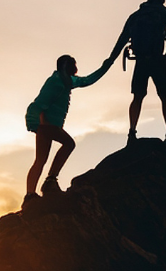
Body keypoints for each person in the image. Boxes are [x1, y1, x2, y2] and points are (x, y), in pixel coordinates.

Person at [24, 54, 113, 206]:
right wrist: (38, 123)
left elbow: (87, 80)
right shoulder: (55, 81)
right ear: (66, 66)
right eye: (73, 65)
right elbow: (39, 102)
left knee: (40, 160)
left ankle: (31, 194)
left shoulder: (68, 81)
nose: (76, 69)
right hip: (46, 125)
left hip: (48, 125)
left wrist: (107, 64)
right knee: (69, 144)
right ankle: (49, 180)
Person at [107, 0, 166, 149]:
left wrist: (110, 59)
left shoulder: (136, 15)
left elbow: (122, 38)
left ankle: (132, 133)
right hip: (158, 61)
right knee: (165, 97)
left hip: (141, 61)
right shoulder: (162, 13)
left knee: (137, 97)